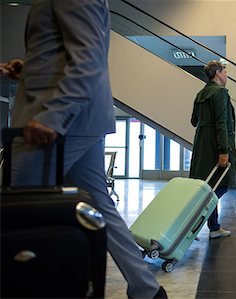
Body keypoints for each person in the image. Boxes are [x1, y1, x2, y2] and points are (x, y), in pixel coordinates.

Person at [2, 1, 167, 298]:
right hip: (80, 119)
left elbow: (88, 56)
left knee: (16, 203)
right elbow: (67, 48)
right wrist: (28, 69)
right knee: (100, 206)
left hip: (60, 122)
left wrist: (54, 116)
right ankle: (147, 289)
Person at [189, 60, 236, 239]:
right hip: (215, 145)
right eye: (225, 72)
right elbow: (222, 123)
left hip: (201, 144)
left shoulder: (200, 93)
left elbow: (193, 121)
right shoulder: (220, 92)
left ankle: (213, 227)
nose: (227, 75)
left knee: (207, 186)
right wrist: (223, 150)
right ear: (218, 73)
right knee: (222, 185)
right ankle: (196, 221)